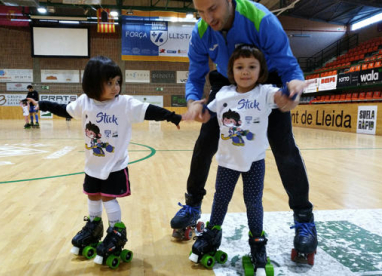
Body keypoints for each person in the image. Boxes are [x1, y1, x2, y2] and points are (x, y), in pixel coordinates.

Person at [170, 0, 318, 260]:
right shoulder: (201, 32)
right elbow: (195, 75)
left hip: (267, 84)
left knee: (285, 150)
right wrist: (194, 102)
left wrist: (293, 87)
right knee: (205, 144)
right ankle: (193, 206)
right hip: (229, 84)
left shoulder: (261, 20)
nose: (208, 18)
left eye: (212, 8)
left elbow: (288, 65)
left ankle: (304, 219)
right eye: (200, 12)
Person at [27, 56, 182, 266]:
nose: (115, 87)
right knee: (92, 194)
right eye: (109, 83)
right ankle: (94, 225)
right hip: (93, 164)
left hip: (115, 165)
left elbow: (148, 111)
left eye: (117, 82)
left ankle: (117, 229)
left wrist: (172, 116)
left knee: (108, 197)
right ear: (93, 83)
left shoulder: (124, 104)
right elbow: (65, 109)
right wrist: (42, 104)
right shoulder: (85, 102)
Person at [187, 45, 303, 273]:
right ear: (231, 70)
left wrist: (292, 89)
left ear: (261, 71)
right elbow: (206, 114)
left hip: (255, 163)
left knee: (253, 203)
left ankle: (257, 242)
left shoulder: (266, 92)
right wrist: (195, 110)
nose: (246, 71)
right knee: (220, 199)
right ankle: (212, 233)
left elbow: (282, 96)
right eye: (240, 67)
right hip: (227, 162)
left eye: (252, 67)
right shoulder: (222, 95)